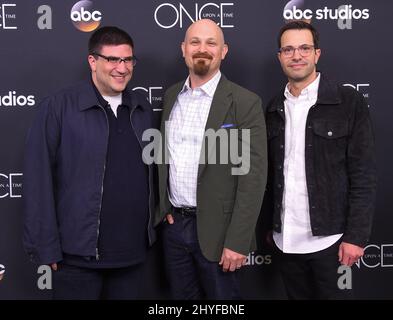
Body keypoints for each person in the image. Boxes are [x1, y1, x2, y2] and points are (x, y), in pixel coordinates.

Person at [23, 26, 157, 299]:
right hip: (77, 259)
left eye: (128, 60)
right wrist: (45, 246)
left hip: (132, 256)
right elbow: (38, 180)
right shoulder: (59, 107)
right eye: (112, 60)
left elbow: (154, 174)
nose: (122, 68)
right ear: (93, 61)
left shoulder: (142, 108)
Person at [156, 19, 267, 299]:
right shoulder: (172, 97)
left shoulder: (244, 102)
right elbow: (163, 159)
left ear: (223, 51)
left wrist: (238, 240)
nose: (202, 49)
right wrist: (163, 207)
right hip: (175, 228)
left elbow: (252, 178)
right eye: (195, 42)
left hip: (220, 233)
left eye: (211, 43)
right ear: (183, 49)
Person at [265, 21, 377, 299]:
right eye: (288, 49)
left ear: (317, 54)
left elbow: (363, 174)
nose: (297, 55)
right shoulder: (272, 107)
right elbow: (268, 176)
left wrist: (355, 237)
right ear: (280, 56)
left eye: (304, 48)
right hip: (286, 243)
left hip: (332, 241)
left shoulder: (347, 101)